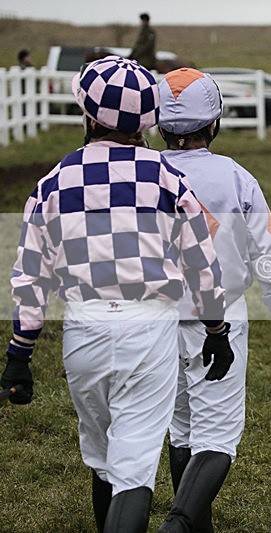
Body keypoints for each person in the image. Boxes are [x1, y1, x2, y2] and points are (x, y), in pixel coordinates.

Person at [0, 56, 234, 532]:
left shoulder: (53, 182)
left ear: (89, 116)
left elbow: (30, 275)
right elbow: (201, 264)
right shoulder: (167, 179)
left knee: (103, 457)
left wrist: (19, 354)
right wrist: (216, 328)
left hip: (83, 329)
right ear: (149, 119)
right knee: (133, 466)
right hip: (148, 329)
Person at [154, 67, 271, 532]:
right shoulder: (237, 178)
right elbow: (267, 257)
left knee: (180, 430)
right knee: (216, 438)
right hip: (218, 318)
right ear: (213, 122)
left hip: (153, 320)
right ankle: (179, 525)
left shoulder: (144, 174)